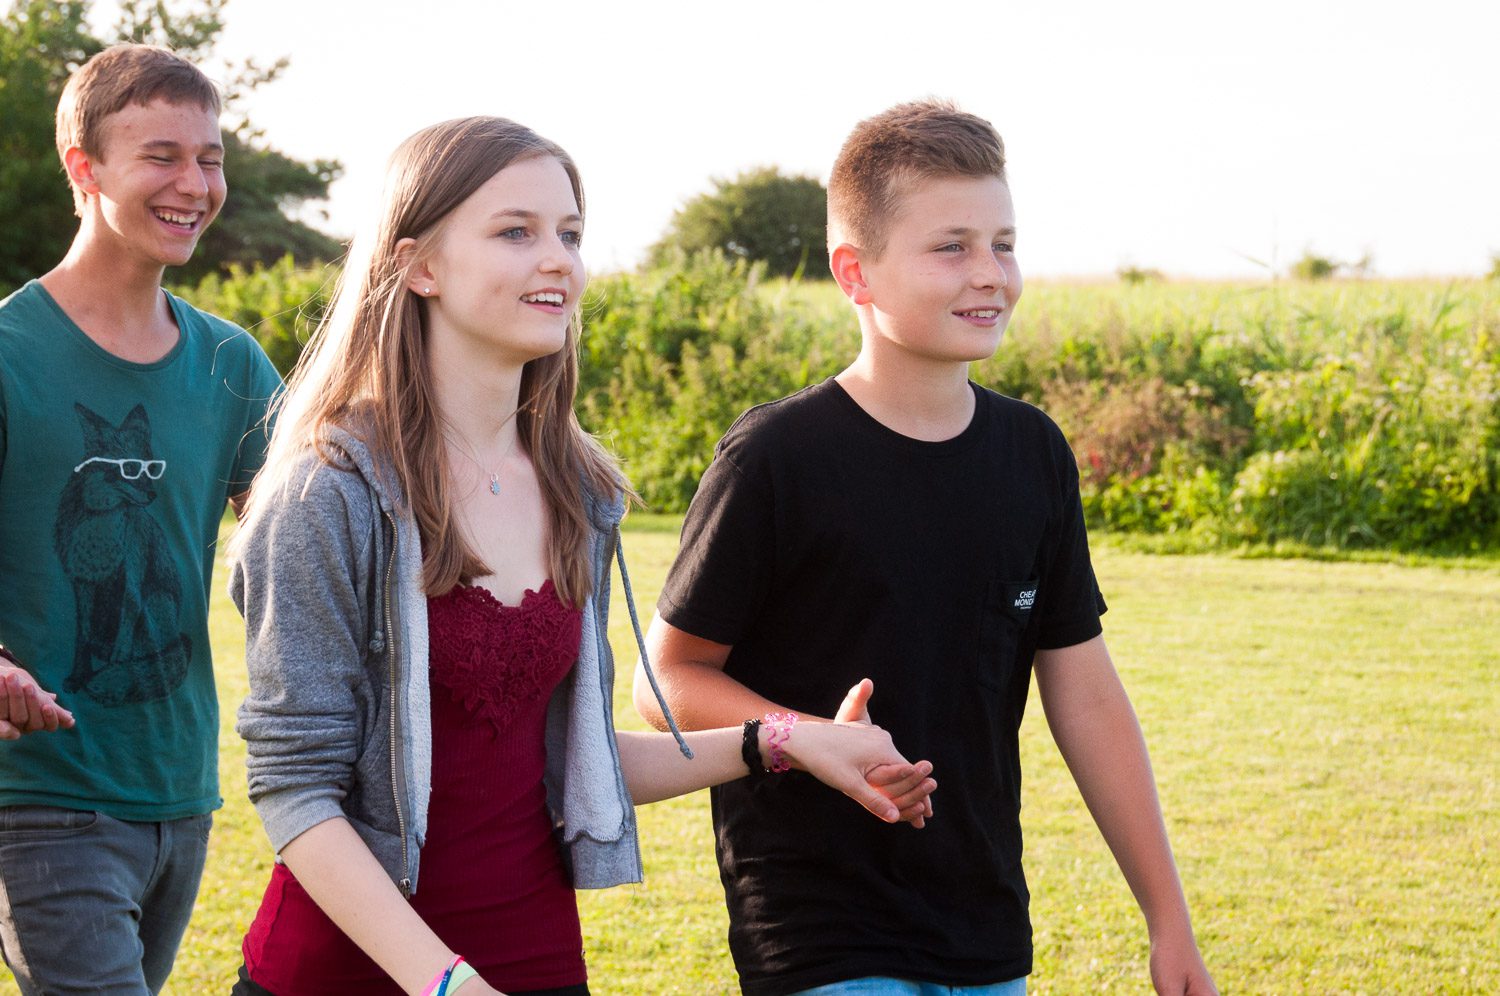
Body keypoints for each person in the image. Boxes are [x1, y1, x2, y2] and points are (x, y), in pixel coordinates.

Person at [227, 115, 937, 996]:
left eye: (570, 234)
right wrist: (446, 983)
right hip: (350, 977)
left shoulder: (579, 490)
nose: (558, 260)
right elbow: (296, 791)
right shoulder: (328, 493)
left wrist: (790, 742)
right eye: (515, 232)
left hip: (540, 962)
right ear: (418, 266)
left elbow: (576, 758)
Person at [634, 99, 1217, 996]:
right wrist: (809, 739)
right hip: (820, 929)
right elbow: (665, 681)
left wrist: (1168, 918)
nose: (990, 274)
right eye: (951, 247)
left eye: (1004, 244)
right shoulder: (778, 457)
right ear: (855, 273)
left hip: (983, 927)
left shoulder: (1033, 454)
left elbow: (1088, 696)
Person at [0, 44, 282, 995]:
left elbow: (310, 536)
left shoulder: (231, 364)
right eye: (161, 156)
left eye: (209, 158)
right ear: (82, 166)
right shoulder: (7, 355)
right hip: (39, 793)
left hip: (181, 787)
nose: (195, 185)